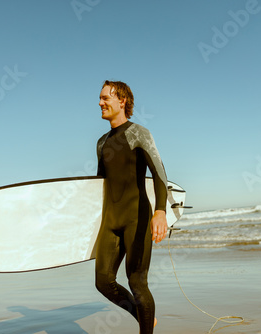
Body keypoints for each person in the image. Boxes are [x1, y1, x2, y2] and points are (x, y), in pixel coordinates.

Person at [95, 80, 168, 333]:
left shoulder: (138, 133)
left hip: (136, 217)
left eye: (106, 98)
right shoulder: (101, 142)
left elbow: (159, 172)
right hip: (110, 221)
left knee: (137, 283)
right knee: (103, 282)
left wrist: (160, 211)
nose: (101, 102)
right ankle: (143, 314)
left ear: (122, 101)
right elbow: (99, 187)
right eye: (101, 98)